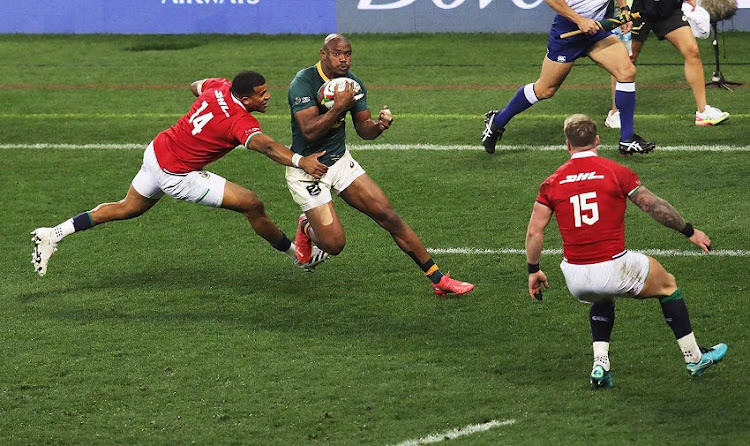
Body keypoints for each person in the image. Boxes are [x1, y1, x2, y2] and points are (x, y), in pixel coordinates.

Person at [31, 71, 331, 276]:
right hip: (177, 174)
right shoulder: (238, 120)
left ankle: (53, 233)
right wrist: (300, 161)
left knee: (127, 207)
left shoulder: (219, 87)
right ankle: (298, 255)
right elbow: (266, 147)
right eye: (261, 94)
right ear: (246, 99)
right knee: (252, 204)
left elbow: (195, 85)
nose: (267, 97)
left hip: (158, 151)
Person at [524, 114, 727, 388]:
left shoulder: (552, 182)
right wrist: (690, 231)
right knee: (667, 285)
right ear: (597, 140)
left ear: (567, 146)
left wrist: (533, 271)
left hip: (574, 277)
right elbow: (654, 206)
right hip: (614, 267)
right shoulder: (615, 172)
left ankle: (600, 365)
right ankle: (694, 357)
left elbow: (535, 231)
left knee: (602, 295)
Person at [286, 33, 474, 297]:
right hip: (308, 171)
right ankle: (307, 226)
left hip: (339, 162)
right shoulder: (303, 82)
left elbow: (364, 129)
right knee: (334, 244)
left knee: (389, 217)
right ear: (323, 55)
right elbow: (309, 132)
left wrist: (380, 126)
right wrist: (338, 107)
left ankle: (439, 280)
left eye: (348, 54)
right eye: (337, 54)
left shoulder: (352, 83)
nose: (343, 59)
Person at [482, 0, 656, 156]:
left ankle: (627, 139)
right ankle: (497, 121)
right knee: (545, 89)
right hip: (569, 29)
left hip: (597, 30)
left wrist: (624, 9)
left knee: (627, 72)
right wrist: (579, 20)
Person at [604, 0, 729, 128]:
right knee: (626, 59)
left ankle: (703, 111)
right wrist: (624, 8)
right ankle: (615, 113)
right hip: (638, 8)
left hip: (668, 7)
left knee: (692, 50)